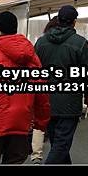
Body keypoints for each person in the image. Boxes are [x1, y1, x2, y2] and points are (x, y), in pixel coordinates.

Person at [0, 11, 50, 164]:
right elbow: (41, 91)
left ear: (1, 31)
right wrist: (41, 121)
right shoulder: (31, 55)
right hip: (20, 124)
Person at [34, 5, 88, 164]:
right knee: (61, 144)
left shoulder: (41, 42)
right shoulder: (80, 43)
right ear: (74, 22)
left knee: (57, 142)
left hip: (46, 99)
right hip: (69, 101)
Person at [30, 16, 59, 164]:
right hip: (59, 89)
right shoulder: (69, 42)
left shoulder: (41, 42)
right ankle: (55, 155)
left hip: (41, 85)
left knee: (39, 122)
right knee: (55, 124)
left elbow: (34, 63)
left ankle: (36, 154)